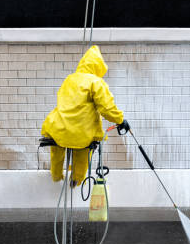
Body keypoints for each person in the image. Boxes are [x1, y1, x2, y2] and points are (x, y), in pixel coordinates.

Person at [41, 45, 128, 187]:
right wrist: (120, 120)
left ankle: (56, 174)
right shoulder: (96, 82)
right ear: (98, 66)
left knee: (57, 145)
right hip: (82, 132)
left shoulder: (69, 79)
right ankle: (76, 179)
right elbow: (107, 108)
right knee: (83, 151)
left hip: (59, 127)